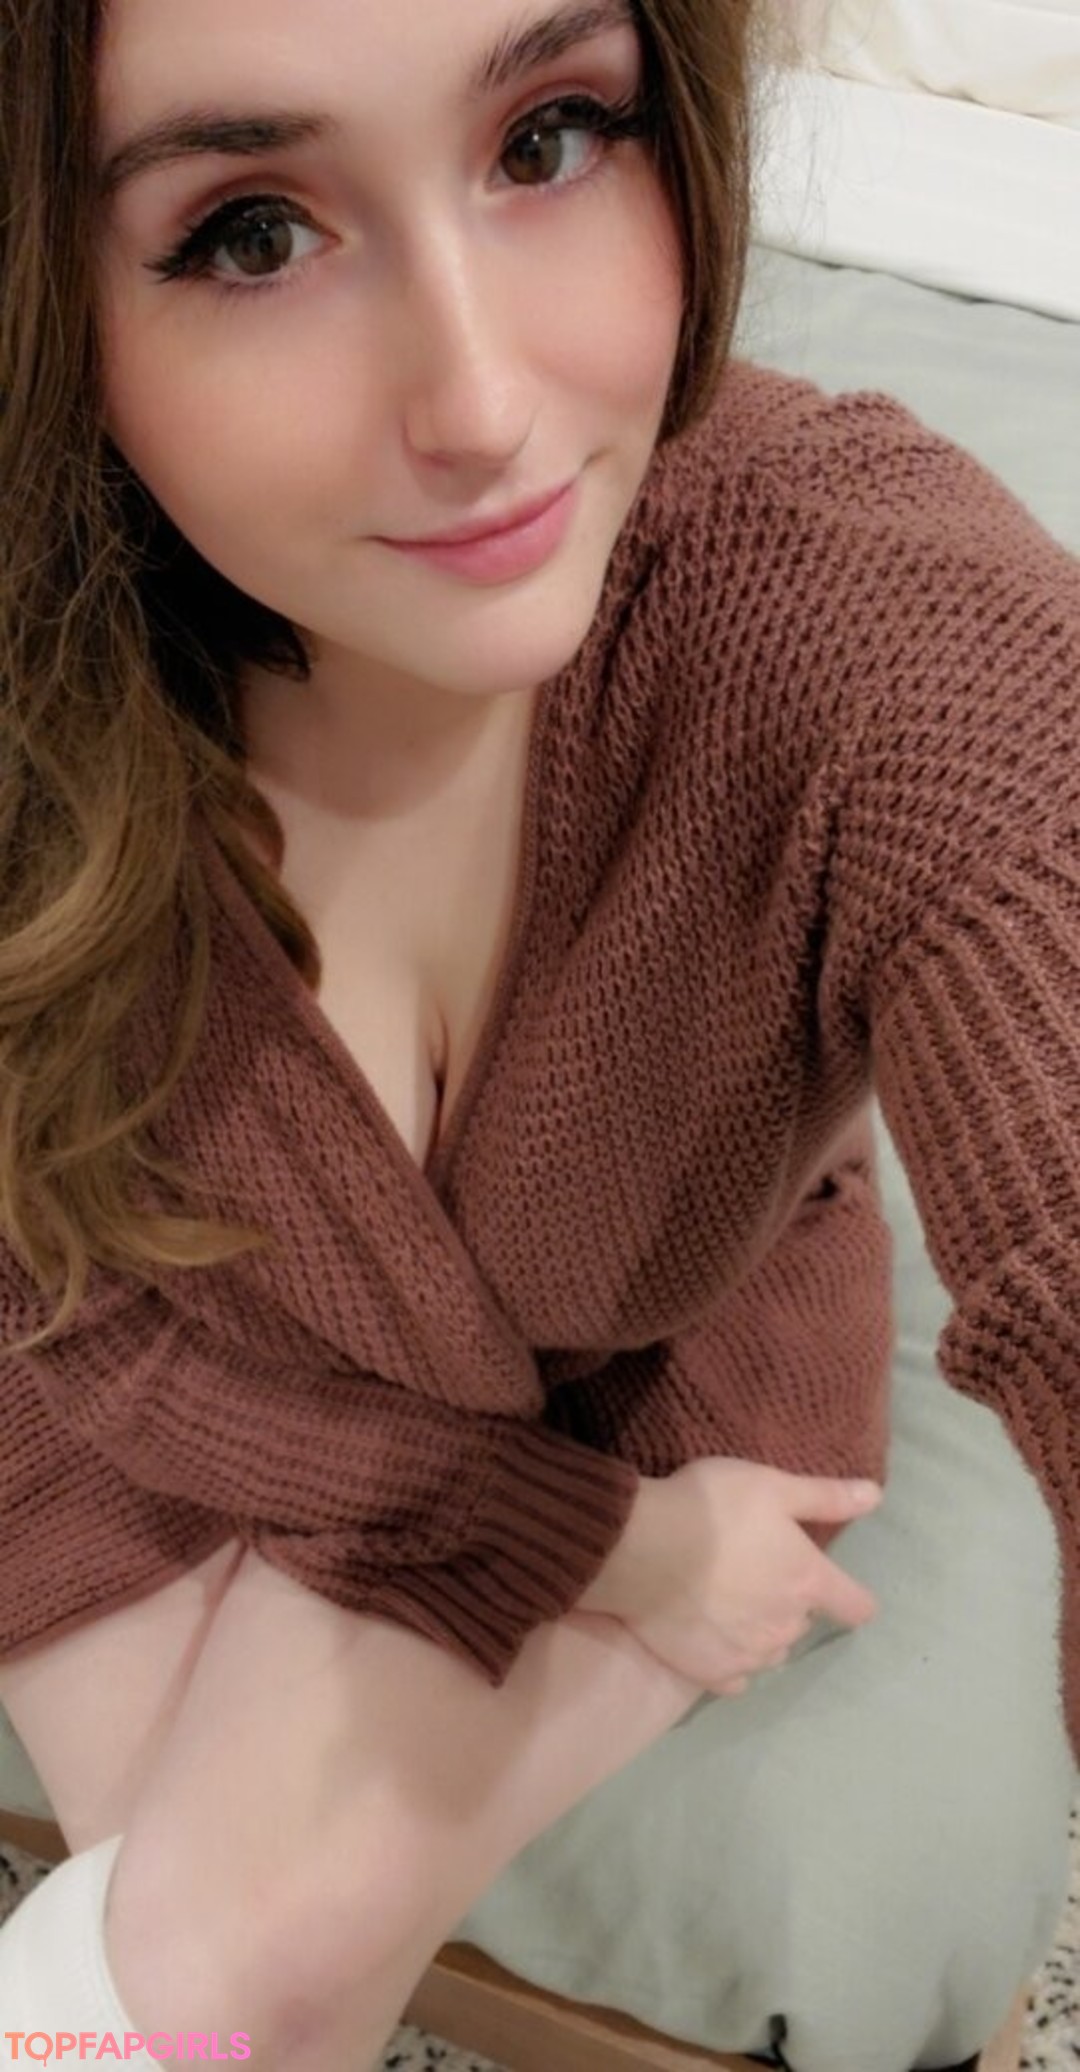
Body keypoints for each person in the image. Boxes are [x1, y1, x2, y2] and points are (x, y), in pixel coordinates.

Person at [0, 0, 1075, 2068]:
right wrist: (612, 1557)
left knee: (189, 1983)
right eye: (249, 232)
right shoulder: (49, 716)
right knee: (200, 1966)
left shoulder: (868, 627)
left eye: (551, 137)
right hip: (129, 1366)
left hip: (665, 1362)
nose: (485, 406)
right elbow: (65, 1298)